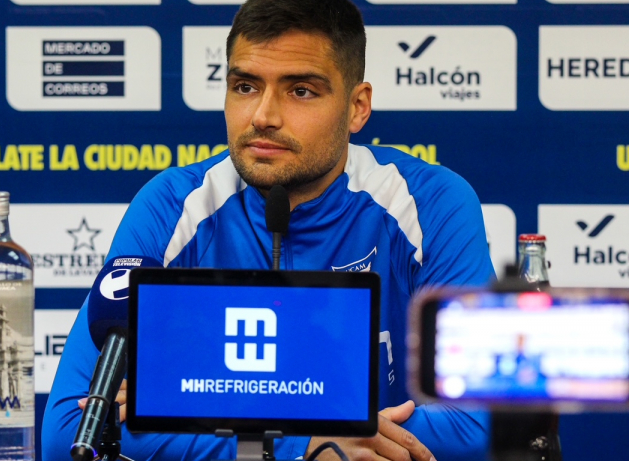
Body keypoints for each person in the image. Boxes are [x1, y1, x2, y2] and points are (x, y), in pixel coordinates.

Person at [42, 0, 495, 460]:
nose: (263, 115)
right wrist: (302, 446)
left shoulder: (429, 203)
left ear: (357, 108)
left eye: (300, 91)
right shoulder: (172, 206)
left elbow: (477, 424)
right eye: (245, 86)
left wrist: (196, 413)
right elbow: (70, 434)